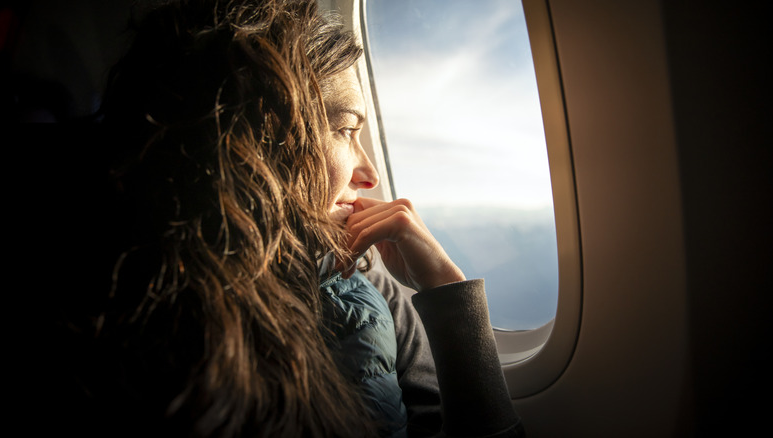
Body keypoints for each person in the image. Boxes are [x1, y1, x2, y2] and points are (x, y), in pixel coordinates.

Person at [68, 0, 524, 436]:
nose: (370, 174)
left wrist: (446, 290)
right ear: (257, 137)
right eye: (345, 129)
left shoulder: (372, 285)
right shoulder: (125, 317)